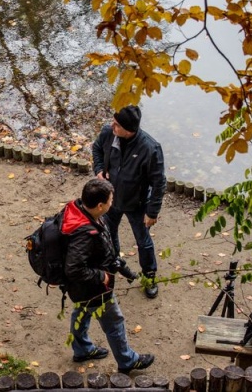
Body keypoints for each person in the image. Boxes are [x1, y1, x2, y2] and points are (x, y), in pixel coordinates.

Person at [62, 179, 155, 373]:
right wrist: (101, 277)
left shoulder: (82, 211)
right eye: (111, 200)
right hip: (93, 288)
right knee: (114, 322)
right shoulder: (84, 234)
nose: (113, 203)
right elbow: (74, 268)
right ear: (100, 205)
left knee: (81, 313)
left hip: (80, 290)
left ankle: (82, 349)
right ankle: (127, 361)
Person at [92, 105, 167, 298]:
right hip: (111, 200)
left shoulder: (150, 148)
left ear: (129, 129)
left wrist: (152, 212)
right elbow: (97, 148)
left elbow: (159, 183)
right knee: (109, 234)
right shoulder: (109, 134)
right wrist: (99, 169)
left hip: (137, 205)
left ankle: (149, 275)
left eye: (116, 124)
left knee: (144, 242)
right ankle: (114, 263)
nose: (111, 125)